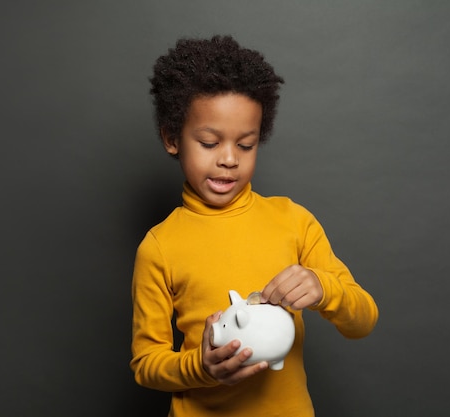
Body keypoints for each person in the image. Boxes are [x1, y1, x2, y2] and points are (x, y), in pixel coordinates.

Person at [130, 35, 378, 417]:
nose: (229, 159)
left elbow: (363, 321)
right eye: (210, 143)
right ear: (171, 138)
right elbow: (146, 364)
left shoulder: (293, 221)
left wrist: (323, 287)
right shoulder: (159, 246)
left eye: (246, 145)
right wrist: (201, 365)